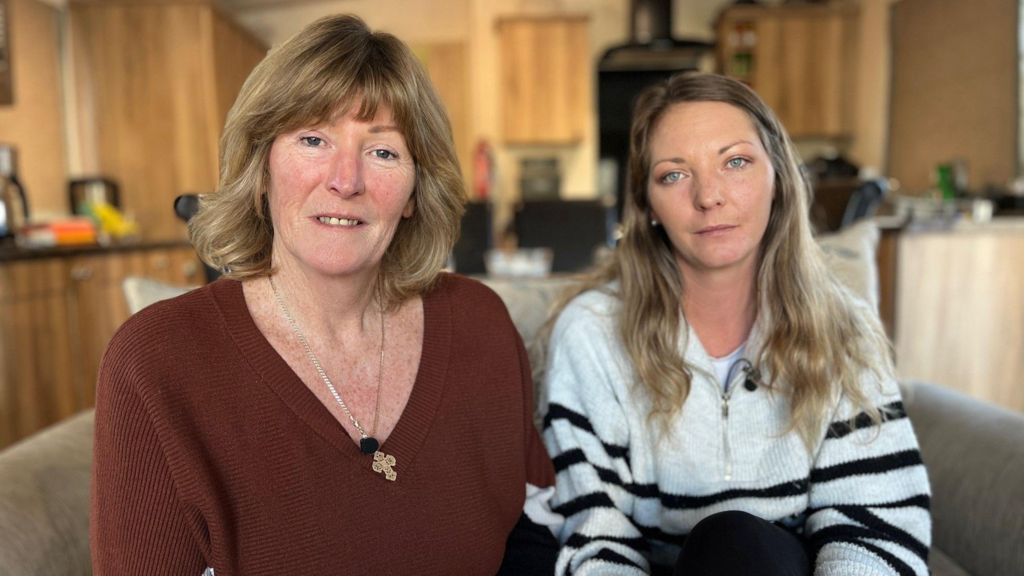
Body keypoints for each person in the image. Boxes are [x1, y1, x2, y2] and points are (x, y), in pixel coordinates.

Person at [90, 14, 557, 575]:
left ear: (414, 191)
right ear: (261, 169)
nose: (346, 180)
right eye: (313, 139)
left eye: (383, 152)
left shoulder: (480, 323)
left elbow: (530, 533)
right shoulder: (157, 360)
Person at [540, 73, 931, 575]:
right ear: (648, 206)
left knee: (740, 542)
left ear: (778, 179)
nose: (709, 196)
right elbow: (594, 533)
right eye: (674, 175)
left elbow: (876, 529)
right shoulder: (591, 333)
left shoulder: (842, 326)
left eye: (736, 162)